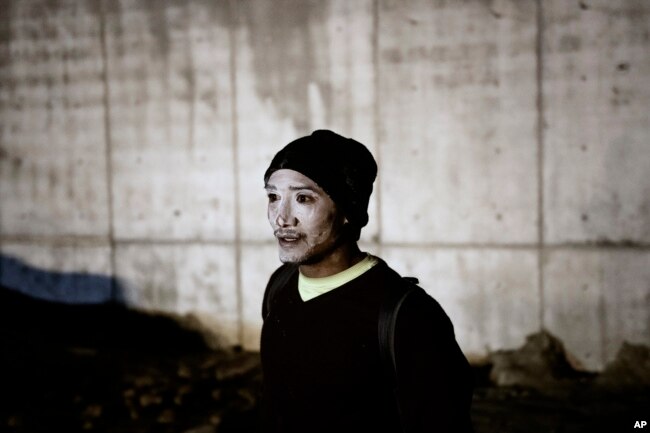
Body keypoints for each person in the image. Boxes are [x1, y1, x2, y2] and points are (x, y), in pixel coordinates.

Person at [260, 130, 474, 433]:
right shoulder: (280, 287)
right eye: (273, 197)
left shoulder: (406, 314)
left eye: (303, 198)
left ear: (348, 210)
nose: (282, 218)